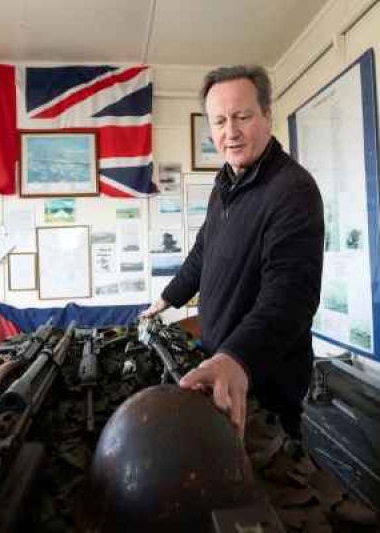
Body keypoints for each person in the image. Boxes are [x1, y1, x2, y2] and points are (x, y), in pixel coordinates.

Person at [142, 65, 324, 440]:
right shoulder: (225, 184)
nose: (231, 132)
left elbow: (291, 297)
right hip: (222, 366)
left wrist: (235, 358)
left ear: (267, 116)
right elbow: (202, 252)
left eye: (242, 116)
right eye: (220, 121)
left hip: (261, 386)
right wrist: (164, 300)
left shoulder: (293, 190)